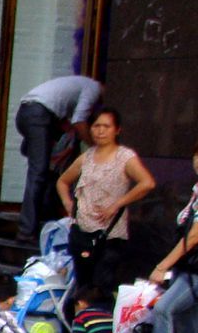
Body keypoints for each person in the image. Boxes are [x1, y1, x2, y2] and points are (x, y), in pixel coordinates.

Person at [55, 107, 155, 304]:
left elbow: (147, 183)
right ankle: (81, 328)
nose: (100, 130)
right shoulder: (87, 157)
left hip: (109, 234)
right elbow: (62, 181)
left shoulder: (125, 157)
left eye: (106, 126)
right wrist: (68, 203)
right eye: (96, 126)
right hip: (82, 231)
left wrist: (118, 203)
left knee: (102, 285)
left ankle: (99, 328)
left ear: (117, 130)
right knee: (83, 284)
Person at [128, 143, 198, 333]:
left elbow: (193, 237)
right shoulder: (195, 192)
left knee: (163, 309)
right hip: (187, 269)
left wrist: (162, 266)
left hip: (192, 270)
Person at [17, 75, 104, 241]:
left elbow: (70, 123)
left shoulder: (77, 86)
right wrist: (97, 147)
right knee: (39, 172)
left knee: (46, 170)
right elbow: (79, 121)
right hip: (39, 115)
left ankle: (43, 216)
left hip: (27, 112)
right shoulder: (93, 88)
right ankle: (26, 230)